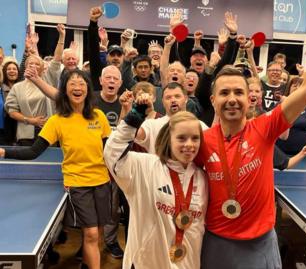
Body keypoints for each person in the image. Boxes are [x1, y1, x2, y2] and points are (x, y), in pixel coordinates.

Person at [198, 15, 306, 268]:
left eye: (238, 92)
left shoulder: (265, 127)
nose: (231, 98)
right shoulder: (201, 141)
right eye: (224, 93)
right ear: (213, 101)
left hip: (260, 242)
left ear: (249, 98)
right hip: (216, 239)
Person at [0, 69, 112, 269]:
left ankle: (86, 265)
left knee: (98, 233)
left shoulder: (99, 116)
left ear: (88, 89)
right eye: (72, 83)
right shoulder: (56, 121)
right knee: (91, 233)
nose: (77, 87)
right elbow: (34, 152)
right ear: (65, 90)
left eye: (81, 83)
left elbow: (110, 150)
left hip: (102, 182)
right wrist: (4, 153)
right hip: (78, 183)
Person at [104, 109, 208, 269]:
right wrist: (133, 118)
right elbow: (113, 153)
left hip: (188, 264)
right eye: (181, 138)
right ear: (169, 139)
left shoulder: (203, 178)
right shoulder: (145, 167)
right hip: (146, 263)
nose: (189, 144)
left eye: (195, 138)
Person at [134, 82, 208, 154]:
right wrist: (138, 112)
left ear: (186, 99)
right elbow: (131, 135)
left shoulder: (199, 126)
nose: (173, 100)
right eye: (168, 97)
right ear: (162, 102)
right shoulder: (152, 125)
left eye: (177, 96)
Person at [4, 55, 54, 146]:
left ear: (42, 69)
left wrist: (61, 40)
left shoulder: (49, 84)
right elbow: (12, 112)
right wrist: (31, 120)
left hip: (48, 132)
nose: (33, 66)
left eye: (37, 64)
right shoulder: (17, 87)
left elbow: (56, 63)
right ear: (26, 67)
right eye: (31, 64)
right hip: (26, 135)